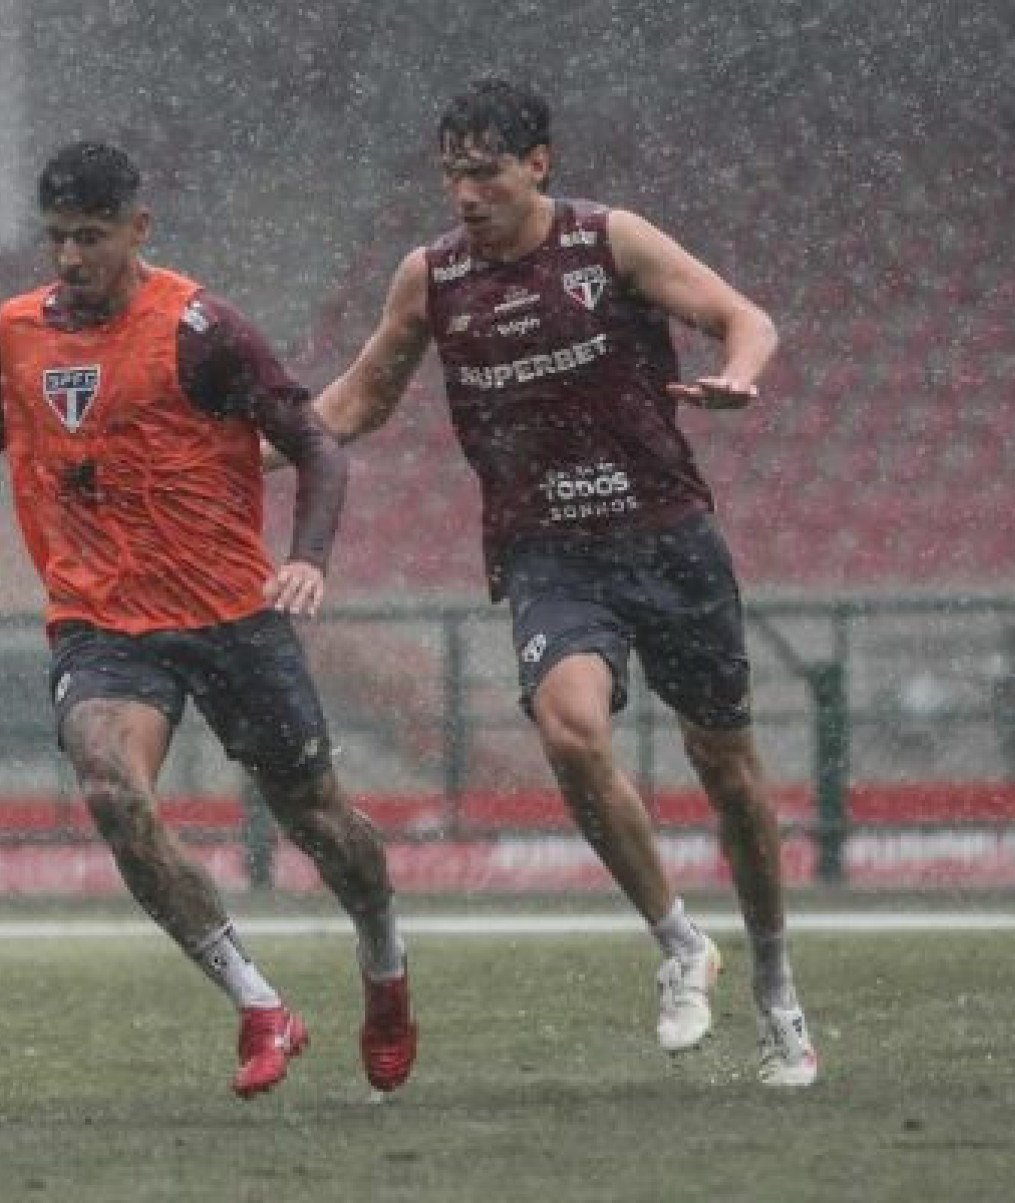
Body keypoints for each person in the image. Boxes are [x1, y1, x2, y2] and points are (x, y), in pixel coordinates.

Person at [0, 140, 417, 1100]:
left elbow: (318, 447)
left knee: (319, 822)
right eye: (56, 239)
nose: (69, 259)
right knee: (114, 790)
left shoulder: (202, 330)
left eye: (91, 237)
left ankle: (384, 965)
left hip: (231, 612)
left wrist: (308, 559)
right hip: (103, 620)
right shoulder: (21, 326)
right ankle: (259, 1003)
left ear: (138, 229)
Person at [303, 78, 817, 1086]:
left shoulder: (607, 241)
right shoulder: (432, 276)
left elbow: (741, 317)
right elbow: (359, 400)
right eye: (452, 171)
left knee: (730, 773)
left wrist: (742, 374)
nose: (465, 192)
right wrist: (252, 446)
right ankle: (679, 944)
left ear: (539, 163)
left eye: (486, 170)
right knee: (571, 729)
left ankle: (778, 990)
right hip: (550, 551)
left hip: (668, 536)